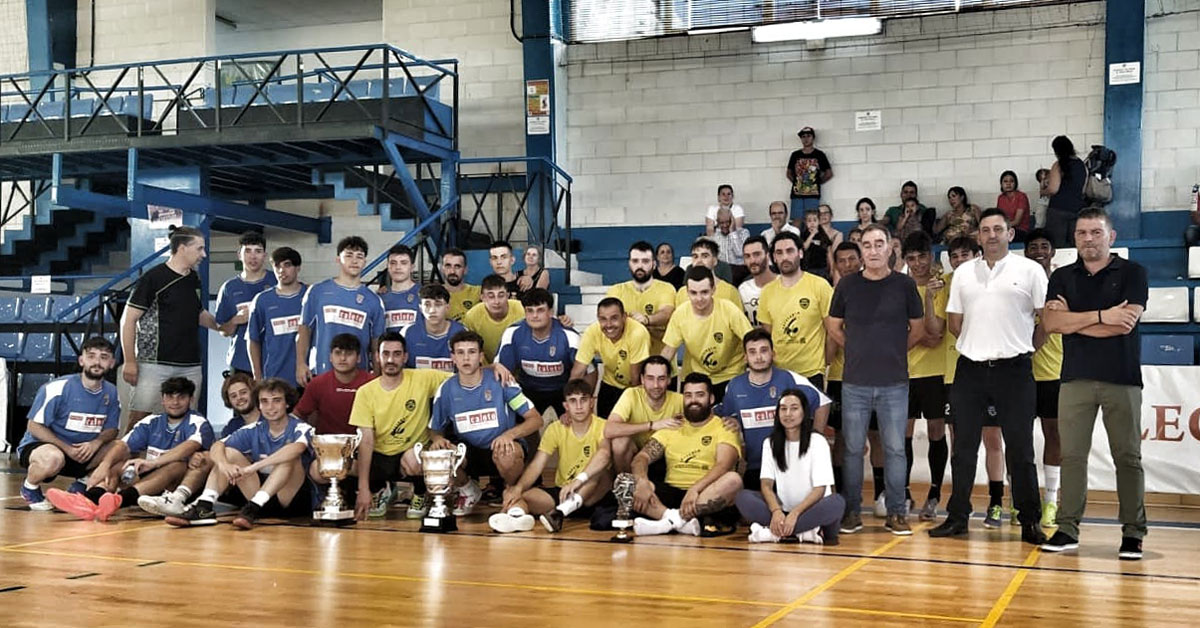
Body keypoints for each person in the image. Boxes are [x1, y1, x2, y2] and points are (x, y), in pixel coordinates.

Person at [929, 209, 1047, 546]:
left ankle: (1029, 520)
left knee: (1020, 449)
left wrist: (1024, 348)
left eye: (998, 228)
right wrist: (978, 342)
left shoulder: (1031, 270)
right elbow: (954, 323)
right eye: (985, 230)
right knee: (963, 448)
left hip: (1015, 371)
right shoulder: (964, 273)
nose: (992, 234)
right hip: (971, 369)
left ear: (1010, 234)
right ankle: (957, 518)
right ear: (978, 236)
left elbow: (1046, 322)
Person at [1041, 207, 1148, 560]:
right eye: (1082, 233)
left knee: (1128, 457)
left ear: (1111, 237)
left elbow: (1125, 324)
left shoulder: (1134, 273)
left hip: (1122, 378)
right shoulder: (1061, 277)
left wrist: (1074, 320)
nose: (1089, 238)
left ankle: (1133, 533)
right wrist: (1103, 315)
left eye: (1096, 232)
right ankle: (1067, 528)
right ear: (1074, 239)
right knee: (1072, 457)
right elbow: (1052, 325)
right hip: (1075, 379)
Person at [826, 224, 924, 536]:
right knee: (853, 449)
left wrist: (892, 352)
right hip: (854, 382)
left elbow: (918, 329)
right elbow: (833, 326)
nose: (873, 250)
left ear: (889, 248)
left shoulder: (905, 285)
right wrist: (856, 350)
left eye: (879, 243)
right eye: (867, 245)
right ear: (861, 251)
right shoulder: (847, 286)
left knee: (895, 449)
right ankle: (852, 512)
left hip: (895, 382)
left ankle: (896, 513)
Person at [47, 377, 213, 522]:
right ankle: (90, 501)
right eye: (170, 397)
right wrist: (103, 467)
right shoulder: (152, 421)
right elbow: (122, 445)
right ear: (162, 399)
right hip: (151, 482)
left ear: (190, 399)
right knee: (119, 464)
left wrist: (153, 463)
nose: (175, 402)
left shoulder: (197, 422)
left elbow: (190, 446)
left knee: (177, 464)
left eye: (181, 397)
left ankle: (119, 500)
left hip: (180, 486)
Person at [929, 236, 1009, 527]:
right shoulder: (943, 285)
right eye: (954, 255)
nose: (959, 259)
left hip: (993, 372)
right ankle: (959, 505)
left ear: (976, 254)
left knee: (993, 440)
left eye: (965, 254)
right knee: (959, 445)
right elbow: (936, 330)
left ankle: (997, 502)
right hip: (956, 375)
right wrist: (929, 297)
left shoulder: (992, 281)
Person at [166, 378, 314, 530]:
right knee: (228, 452)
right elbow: (218, 445)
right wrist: (224, 465)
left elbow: (296, 449)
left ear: (287, 403)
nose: (270, 407)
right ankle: (204, 506)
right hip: (256, 500)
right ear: (259, 405)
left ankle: (253, 507)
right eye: (264, 401)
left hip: (290, 499)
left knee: (289, 458)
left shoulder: (301, 427)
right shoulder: (254, 429)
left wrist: (254, 467)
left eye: (276, 400)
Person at [429, 331, 545, 515]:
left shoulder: (501, 381)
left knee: (507, 451)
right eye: (460, 352)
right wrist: (437, 440)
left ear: (481, 356)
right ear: (453, 357)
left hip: (500, 446)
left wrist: (509, 435)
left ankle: (511, 491)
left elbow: (535, 419)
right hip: (468, 451)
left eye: (472, 352)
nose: (466, 358)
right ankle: (468, 490)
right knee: (440, 454)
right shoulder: (446, 389)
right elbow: (435, 430)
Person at [121, 225, 220, 423]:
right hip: (154, 364)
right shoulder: (153, 278)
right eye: (199, 248)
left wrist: (223, 326)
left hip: (190, 365)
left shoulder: (193, 278)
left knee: (186, 421)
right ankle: (130, 455)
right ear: (182, 248)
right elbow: (128, 320)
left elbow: (197, 312)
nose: (204, 254)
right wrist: (130, 361)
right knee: (140, 419)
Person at [349, 331, 453, 520]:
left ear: (405, 357)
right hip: (381, 456)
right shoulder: (365, 392)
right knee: (346, 464)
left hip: (411, 453)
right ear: (377, 357)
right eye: (385, 354)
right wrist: (363, 489)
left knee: (413, 461)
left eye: (396, 354)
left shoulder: (423, 379)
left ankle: (420, 493)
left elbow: (463, 376)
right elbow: (366, 442)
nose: (390, 359)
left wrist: (493, 367)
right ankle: (383, 489)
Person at [490, 379, 615, 533]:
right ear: (566, 406)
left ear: (591, 402)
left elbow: (604, 455)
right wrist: (517, 489)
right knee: (520, 495)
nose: (578, 406)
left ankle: (559, 513)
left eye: (583, 400)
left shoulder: (603, 426)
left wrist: (577, 481)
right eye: (573, 401)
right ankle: (517, 519)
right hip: (564, 492)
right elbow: (537, 464)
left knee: (600, 474)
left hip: (593, 495)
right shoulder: (556, 428)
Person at [630, 373, 743, 537]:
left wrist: (694, 490)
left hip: (704, 494)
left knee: (733, 480)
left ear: (711, 398)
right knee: (626, 483)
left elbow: (723, 465)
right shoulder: (673, 425)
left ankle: (666, 522)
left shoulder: (724, 427)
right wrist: (641, 482)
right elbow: (641, 458)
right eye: (688, 395)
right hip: (670, 494)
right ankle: (678, 522)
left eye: (700, 395)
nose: (693, 400)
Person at [18, 336, 122, 511]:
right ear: (81, 361)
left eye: (103, 357)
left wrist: (95, 443)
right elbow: (33, 426)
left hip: (84, 450)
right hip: (48, 447)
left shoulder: (112, 392)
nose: (97, 362)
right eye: (91, 356)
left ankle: (81, 486)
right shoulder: (57, 388)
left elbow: (112, 430)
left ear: (111, 363)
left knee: (120, 449)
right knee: (53, 458)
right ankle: (30, 488)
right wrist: (67, 449)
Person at [137, 373, 259, 517]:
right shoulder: (233, 425)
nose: (239, 398)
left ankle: (198, 505)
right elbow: (217, 448)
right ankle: (182, 501)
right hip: (237, 484)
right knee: (207, 456)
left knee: (222, 454)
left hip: (265, 488)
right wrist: (218, 462)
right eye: (234, 396)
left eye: (243, 392)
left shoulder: (269, 419)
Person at [722, 329, 831, 491]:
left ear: (773, 353)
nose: (759, 357)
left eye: (764, 351)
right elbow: (724, 414)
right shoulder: (734, 386)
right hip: (757, 466)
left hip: (791, 464)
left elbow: (823, 402)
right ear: (745, 357)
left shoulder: (790, 379)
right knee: (749, 503)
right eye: (752, 352)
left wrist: (815, 437)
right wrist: (731, 420)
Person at [736, 389, 845, 544]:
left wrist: (795, 514)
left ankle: (775, 534)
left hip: (811, 509)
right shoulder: (770, 443)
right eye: (783, 409)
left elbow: (820, 489)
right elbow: (766, 485)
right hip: (783, 510)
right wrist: (776, 511)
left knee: (836, 503)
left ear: (804, 412)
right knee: (743, 498)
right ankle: (803, 533)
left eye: (794, 408)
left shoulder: (817, 442)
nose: (788, 414)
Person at [825, 243, 887, 509]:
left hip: (875, 375)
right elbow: (829, 343)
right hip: (842, 377)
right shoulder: (834, 293)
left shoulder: (875, 289)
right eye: (842, 260)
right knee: (843, 438)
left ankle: (882, 494)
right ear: (836, 264)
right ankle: (844, 496)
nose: (848, 264)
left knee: (876, 436)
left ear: (861, 260)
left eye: (852, 259)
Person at [900, 232, 951, 521]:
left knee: (936, 433)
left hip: (935, 373)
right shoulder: (900, 289)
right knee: (903, 434)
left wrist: (917, 333)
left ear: (931, 256)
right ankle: (905, 492)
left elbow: (937, 335)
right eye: (911, 258)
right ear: (905, 260)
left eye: (922, 256)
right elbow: (905, 335)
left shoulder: (941, 287)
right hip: (905, 374)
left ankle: (934, 494)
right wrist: (922, 335)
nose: (917, 263)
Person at [296, 236, 386, 384]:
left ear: (365, 262)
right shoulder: (317, 291)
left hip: (359, 376)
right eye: (349, 255)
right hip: (321, 372)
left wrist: (377, 373)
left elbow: (376, 342)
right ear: (338, 259)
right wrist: (300, 364)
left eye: (359, 256)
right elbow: (304, 330)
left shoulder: (374, 300)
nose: (354, 260)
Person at [660, 265, 752, 403]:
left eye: (704, 292)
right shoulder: (680, 314)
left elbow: (751, 340)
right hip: (699, 377)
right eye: (693, 293)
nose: (699, 298)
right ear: (687, 292)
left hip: (731, 374)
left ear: (713, 289)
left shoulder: (728, 309)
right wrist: (654, 375)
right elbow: (668, 351)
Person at [758, 231, 834, 388]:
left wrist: (825, 363)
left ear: (800, 253)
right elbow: (768, 334)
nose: (785, 257)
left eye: (790, 251)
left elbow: (832, 332)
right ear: (774, 258)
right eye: (779, 252)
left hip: (812, 373)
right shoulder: (767, 292)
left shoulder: (820, 286)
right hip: (779, 373)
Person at [1025, 228, 1064, 529]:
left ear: (1052, 251)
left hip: (1054, 372)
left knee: (1054, 435)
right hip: (1020, 373)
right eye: (1033, 246)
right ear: (1025, 252)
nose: (1039, 250)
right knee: (1018, 440)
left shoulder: (1064, 284)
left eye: (1044, 245)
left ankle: (1051, 500)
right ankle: (1021, 502)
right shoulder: (1018, 285)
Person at [496, 288, 582, 418]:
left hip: (563, 389)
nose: (534, 316)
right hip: (527, 388)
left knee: (572, 424)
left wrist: (575, 402)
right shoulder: (513, 333)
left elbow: (590, 373)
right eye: (530, 311)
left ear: (550, 312)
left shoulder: (569, 335)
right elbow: (501, 371)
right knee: (525, 426)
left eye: (540, 310)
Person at [571, 297, 650, 418]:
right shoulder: (592, 332)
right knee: (606, 428)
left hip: (633, 387)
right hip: (609, 384)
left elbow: (636, 378)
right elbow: (577, 372)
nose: (608, 325)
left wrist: (637, 405)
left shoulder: (638, 332)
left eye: (614, 318)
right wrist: (570, 406)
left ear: (624, 317)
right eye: (603, 319)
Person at [604, 355, 684, 472]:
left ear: (669, 380)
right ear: (642, 379)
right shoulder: (631, 394)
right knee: (619, 442)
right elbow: (609, 429)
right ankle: (625, 483)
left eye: (661, 378)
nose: (656, 385)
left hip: (665, 456)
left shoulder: (680, 400)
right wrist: (652, 425)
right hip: (633, 453)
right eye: (650, 378)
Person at [214, 231, 276, 376]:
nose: (253, 256)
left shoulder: (276, 282)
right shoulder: (229, 288)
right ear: (239, 255)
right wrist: (236, 320)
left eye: (258, 251)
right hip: (241, 363)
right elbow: (224, 330)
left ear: (265, 256)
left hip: (275, 362)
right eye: (248, 251)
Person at [294, 333, 374, 436]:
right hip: (325, 446)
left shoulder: (372, 383)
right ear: (330, 357)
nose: (343, 358)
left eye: (349, 353)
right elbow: (298, 414)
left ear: (358, 358)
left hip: (364, 444)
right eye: (338, 353)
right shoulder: (317, 383)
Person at [247, 246, 305, 386]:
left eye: (287, 265)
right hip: (274, 378)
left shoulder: (310, 296)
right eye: (277, 266)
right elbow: (252, 339)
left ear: (297, 268)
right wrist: (257, 375)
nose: (281, 270)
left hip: (306, 378)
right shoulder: (262, 300)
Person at [609, 241, 677, 358]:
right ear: (629, 264)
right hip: (627, 365)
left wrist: (646, 320)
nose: (640, 266)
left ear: (654, 264)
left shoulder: (667, 288)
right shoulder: (616, 290)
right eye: (635, 261)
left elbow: (666, 314)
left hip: (662, 365)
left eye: (645, 261)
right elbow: (611, 321)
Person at [461, 274, 525, 363]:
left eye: (501, 295)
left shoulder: (522, 310)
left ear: (508, 295)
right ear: (482, 297)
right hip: (486, 369)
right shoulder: (472, 316)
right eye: (491, 296)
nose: (496, 301)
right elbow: (471, 350)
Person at [403, 284, 466, 372]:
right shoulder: (407, 332)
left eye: (438, 304)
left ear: (447, 307)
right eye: (427, 305)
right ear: (420, 308)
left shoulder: (462, 333)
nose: (432, 310)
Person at [1042, 135, 1087, 248]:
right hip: (1077, 209)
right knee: (1075, 246)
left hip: (1058, 210)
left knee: (1057, 246)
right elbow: (1084, 189)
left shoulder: (1058, 165)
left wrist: (1044, 191)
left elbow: (1053, 189)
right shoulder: (1082, 165)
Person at [676, 238, 743, 310]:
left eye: (705, 256)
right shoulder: (682, 292)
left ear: (715, 261)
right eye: (695, 256)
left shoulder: (730, 291)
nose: (699, 261)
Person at [786, 126, 833, 219]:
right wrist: (798, 183)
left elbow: (829, 173)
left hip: (813, 195)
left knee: (811, 221)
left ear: (813, 138)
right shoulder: (795, 155)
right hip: (797, 195)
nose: (806, 139)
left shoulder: (819, 155)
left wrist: (817, 182)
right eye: (803, 136)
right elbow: (788, 173)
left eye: (808, 136)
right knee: (797, 221)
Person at [379, 244, 422, 332]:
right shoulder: (379, 298)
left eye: (403, 263)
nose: (398, 267)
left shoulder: (424, 295)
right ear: (388, 267)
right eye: (393, 263)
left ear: (412, 267)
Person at [737, 236, 776, 325]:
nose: (752, 260)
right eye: (747, 256)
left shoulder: (784, 283)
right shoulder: (743, 289)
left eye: (757, 254)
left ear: (768, 255)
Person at [711, 207, 751, 285]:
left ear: (732, 220)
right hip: (722, 272)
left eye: (728, 222)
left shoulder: (743, 233)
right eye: (722, 223)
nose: (725, 225)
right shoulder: (715, 237)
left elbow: (740, 253)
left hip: (740, 271)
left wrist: (732, 232)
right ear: (717, 223)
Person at [442, 248, 481, 322]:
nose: (452, 271)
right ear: (442, 268)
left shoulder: (478, 292)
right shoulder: (434, 295)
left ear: (465, 270)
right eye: (448, 266)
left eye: (457, 266)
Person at [997, 171, 1032, 241]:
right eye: (1005, 181)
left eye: (1011, 181)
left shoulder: (1021, 196)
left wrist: (1001, 227)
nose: (1008, 184)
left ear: (1015, 183)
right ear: (1001, 184)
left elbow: (1017, 221)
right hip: (1006, 229)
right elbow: (1000, 217)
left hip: (1021, 230)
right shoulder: (1001, 198)